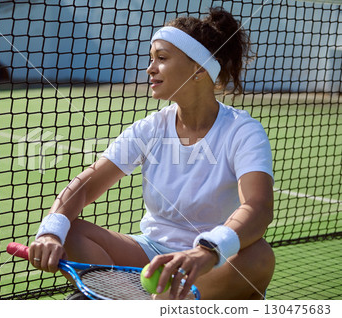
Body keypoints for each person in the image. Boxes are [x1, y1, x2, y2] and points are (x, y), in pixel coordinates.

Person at [29, 7, 275, 300]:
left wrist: (207, 251)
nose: (150, 68)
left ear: (198, 69)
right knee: (70, 230)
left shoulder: (243, 130)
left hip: (211, 262)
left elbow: (258, 207)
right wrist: (50, 232)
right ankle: (151, 302)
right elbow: (84, 186)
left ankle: (130, 300)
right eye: (151, 59)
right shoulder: (149, 128)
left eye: (162, 58)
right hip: (149, 255)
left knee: (259, 256)